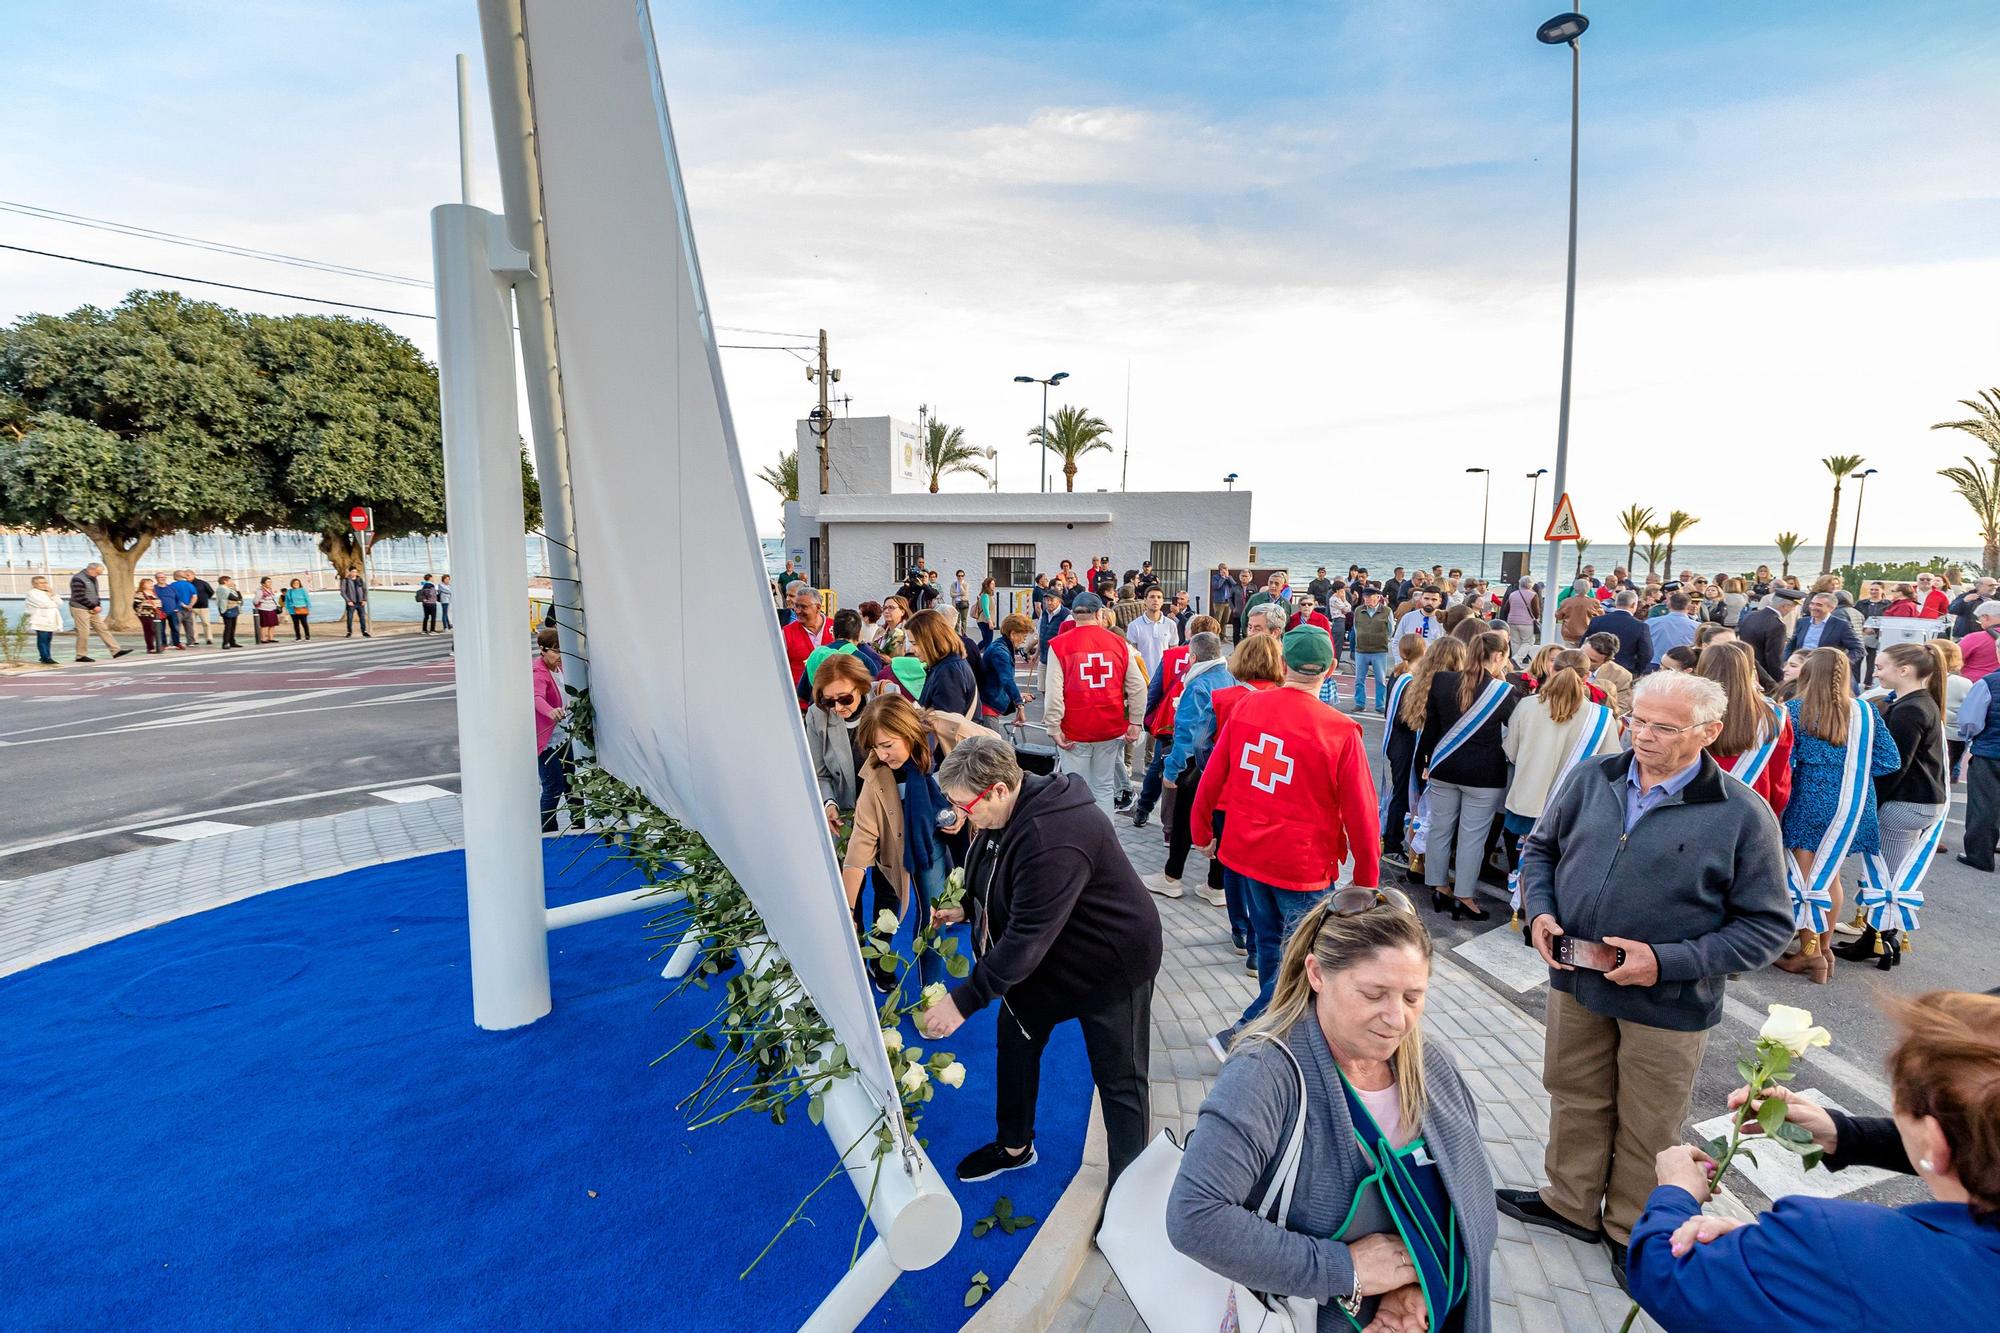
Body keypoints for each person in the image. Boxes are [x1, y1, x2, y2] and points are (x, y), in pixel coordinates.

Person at [1502, 671, 1793, 1287]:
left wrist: (1665, 963)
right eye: (1636, 720)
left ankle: (1633, 1231)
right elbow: (1540, 850)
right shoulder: (1592, 778)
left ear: (1710, 733)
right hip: (1576, 979)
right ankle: (1571, 1205)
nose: (1644, 736)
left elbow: (1767, 929)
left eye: (1665, 727)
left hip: (1669, 1002)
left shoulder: (1742, 814)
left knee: (1650, 1120)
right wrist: (1540, 911)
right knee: (1573, 1090)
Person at [1168, 891, 1497, 1333]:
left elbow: (1471, 1208)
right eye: (1373, 993)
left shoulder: (1431, 1064)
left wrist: (1420, 1288)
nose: (1397, 1019)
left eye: (1413, 997)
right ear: (1317, 973)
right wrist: (1346, 1269)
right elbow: (1194, 1216)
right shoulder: (1264, 1074)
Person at [1626, 991, 2000, 1332]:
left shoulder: (1842, 1246)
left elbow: (1666, 1275)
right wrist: (1843, 1133)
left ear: (1935, 1143)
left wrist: (1675, 1195)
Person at [923, 735, 1162, 1186]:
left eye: (964, 805)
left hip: (1112, 962)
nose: (959, 815)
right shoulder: (1006, 808)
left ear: (996, 789)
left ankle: (1131, 1189)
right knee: (1015, 1041)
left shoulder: (1053, 836)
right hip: (1051, 956)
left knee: (1120, 1078)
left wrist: (963, 1001)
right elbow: (997, 869)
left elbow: (1026, 939)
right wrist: (971, 904)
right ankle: (1015, 1146)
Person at [1193, 627, 1382, 1052]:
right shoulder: (1340, 730)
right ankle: (1246, 1034)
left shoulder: (1248, 708)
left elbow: (1213, 776)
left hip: (1245, 853)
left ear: (1282, 666)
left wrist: (1202, 830)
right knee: (1302, 964)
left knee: (1271, 948)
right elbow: (1362, 815)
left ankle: (1275, 1035)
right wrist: (1367, 879)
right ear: (1332, 670)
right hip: (1303, 866)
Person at [1776, 648, 1901, 982]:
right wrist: (1850, 769)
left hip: (1809, 798)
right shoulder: (1866, 711)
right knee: (1830, 876)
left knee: (1805, 878)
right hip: (1854, 801)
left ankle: (1809, 953)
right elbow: (1890, 760)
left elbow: (1786, 762)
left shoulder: (1794, 710)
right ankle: (1825, 947)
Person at [843, 694, 976, 993]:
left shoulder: (948, 737)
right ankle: (880, 961)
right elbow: (859, 846)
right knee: (887, 901)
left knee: (933, 917)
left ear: (908, 730)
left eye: (887, 745)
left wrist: (964, 810)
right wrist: (847, 911)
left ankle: (931, 991)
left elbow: (994, 763)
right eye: (875, 747)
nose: (881, 754)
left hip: (937, 847)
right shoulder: (876, 777)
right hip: (894, 850)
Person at [1837, 640, 1951, 969]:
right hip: (1917, 800)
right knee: (1891, 874)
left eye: (1881, 667)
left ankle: (1877, 940)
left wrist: (1870, 803)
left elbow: (1894, 765)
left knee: (1885, 877)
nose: (1876, 672)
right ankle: (1881, 938)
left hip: (1905, 802)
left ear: (1904, 671)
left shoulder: (1911, 709)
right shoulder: (1919, 702)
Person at [1414, 630, 1520, 920]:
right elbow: (1516, 733)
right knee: (1472, 838)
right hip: (1484, 775)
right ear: (1498, 656)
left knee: (1439, 828)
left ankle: (1438, 886)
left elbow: (1431, 728)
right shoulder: (1504, 692)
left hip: (1443, 766)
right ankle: (1464, 896)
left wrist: (1424, 762)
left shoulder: (1442, 680)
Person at [1501, 650, 1619, 889]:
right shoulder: (1602, 717)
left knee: (1525, 862)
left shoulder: (1527, 705)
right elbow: (1610, 765)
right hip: (1571, 807)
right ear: (1587, 677)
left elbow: (1510, 753)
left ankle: (1522, 899)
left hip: (1528, 800)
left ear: (1552, 670)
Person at [1043, 592, 1145, 817]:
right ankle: (1104, 840)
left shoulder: (1059, 645)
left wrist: (1053, 726)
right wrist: (1136, 722)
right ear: (1099, 614)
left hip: (1074, 729)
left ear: (1073, 615)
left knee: (1076, 790)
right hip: (1109, 728)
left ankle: (1080, 842)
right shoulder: (1119, 643)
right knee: (1104, 788)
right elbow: (1138, 686)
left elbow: (1054, 692)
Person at [1382, 636, 1466, 874]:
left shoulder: (1410, 676)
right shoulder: (1417, 680)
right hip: (1408, 746)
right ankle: (1393, 843)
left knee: (1406, 795)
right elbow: (1404, 719)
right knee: (1406, 795)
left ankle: (1399, 841)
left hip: (1403, 745)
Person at [1697, 640, 1793, 816]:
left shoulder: (1688, 708)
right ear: (1747, 671)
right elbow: (1780, 781)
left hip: (1691, 803)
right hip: (1751, 807)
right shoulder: (1774, 715)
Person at [532, 628, 573, 832]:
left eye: (562, 651)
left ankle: (579, 826)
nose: (559, 656)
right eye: (555, 651)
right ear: (542, 649)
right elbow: (536, 697)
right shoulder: (538, 672)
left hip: (564, 734)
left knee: (573, 784)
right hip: (545, 738)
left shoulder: (561, 667)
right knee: (553, 787)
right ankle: (547, 832)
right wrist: (551, 712)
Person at [909, 608, 977, 718]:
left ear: (931, 640)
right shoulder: (945, 665)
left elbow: (946, 727)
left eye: (915, 643)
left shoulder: (949, 671)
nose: (911, 650)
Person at [1735, 586, 1804, 688]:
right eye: (1793, 607)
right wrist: (1779, 682)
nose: (1792, 611)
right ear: (1785, 606)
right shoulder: (1777, 625)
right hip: (1765, 678)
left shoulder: (1751, 616)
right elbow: (1774, 658)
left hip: (1748, 669)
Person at [1786, 591, 1863, 681]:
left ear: (1831, 608)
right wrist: (1787, 662)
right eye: (1812, 604)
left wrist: (1840, 664)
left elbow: (1859, 649)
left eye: (1819, 605)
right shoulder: (1802, 622)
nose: (1813, 607)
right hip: (1801, 670)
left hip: (1824, 673)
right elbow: (1791, 645)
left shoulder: (1841, 625)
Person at [978, 614, 1034, 732]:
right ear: (1013, 634)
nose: (1024, 639)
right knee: (991, 746)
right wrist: (1019, 704)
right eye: (1023, 635)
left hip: (989, 702)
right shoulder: (1000, 651)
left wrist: (1017, 695)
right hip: (988, 705)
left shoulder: (1001, 646)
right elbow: (1006, 679)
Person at [782, 585, 835, 704]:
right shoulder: (786, 633)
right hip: (800, 704)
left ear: (818, 607)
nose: (798, 611)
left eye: (803, 607)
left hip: (833, 704)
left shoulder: (835, 628)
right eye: (796, 606)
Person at [1585, 589, 1654, 678]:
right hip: (1625, 670)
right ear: (1634, 605)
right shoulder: (1641, 626)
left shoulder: (1597, 621)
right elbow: (1647, 654)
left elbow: (1585, 643)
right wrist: (1637, 670)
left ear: (1616, 603)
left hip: (1598, 669)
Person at [66, 562, 127, 662]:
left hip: (92, 609)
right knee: (84, 632)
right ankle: (80, 655)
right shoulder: (78, 579)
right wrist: (93, 606)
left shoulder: (93, 578)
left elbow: (95, 593)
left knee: (102, 628)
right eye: (98, 572)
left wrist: (98, 604)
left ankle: (116, 651)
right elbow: (79, 596)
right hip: (80, 608)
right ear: (91, 569)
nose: (99, 575)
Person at [1348, 586, 1393, 714]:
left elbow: (1390, 629)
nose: (1366, 599)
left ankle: (1380, 705)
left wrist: (1384, 639)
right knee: (1359, 679)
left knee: (1380, 679)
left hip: (1379, 650)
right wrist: (1359, 639)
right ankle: (1360, 703)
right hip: (1361, 650)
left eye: (1369, 597)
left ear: (1378, 597)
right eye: (1365, 597)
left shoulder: (1386, 611)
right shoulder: (1358, 610)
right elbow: (1356, 627)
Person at [1126, 584, 1178, 681]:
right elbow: (1132, 656)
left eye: (1159, 597)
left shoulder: (1171, 624)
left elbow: (1173, 653)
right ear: (1145, 600)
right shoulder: (1134, 625)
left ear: (1162, 601)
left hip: (1163, 678)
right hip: (1142, 678)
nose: (1156, 600)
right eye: (1152, 597)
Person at [1584, 632, 1635, 717]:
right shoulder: (1565, 659)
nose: (1584, 661)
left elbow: (1621, 709)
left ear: (1607, 661)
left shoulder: (1622, 677)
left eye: (1592, 660)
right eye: (1583, 654)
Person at [1645, 591, 1699, 667]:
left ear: (1668, 605)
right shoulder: (1697, 626)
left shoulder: (1651, 623)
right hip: (1681, 667)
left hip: (1654, 664)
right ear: (1689, 606)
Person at [1956, 599, 2000, 684]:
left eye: (1979, 620)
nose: (1979, 623)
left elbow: (1952, 659)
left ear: (1985, 617)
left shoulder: (1974, 638)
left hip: (1976, 685)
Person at [22, 574, 63, 665]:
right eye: (41, 583)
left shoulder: (49, 592)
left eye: (45, 582)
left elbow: (60, 603)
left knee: (48, 639)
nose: (44, 584)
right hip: (40, 619)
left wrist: (52, 594)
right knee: (42, 638)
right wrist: (53, 603)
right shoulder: (32, 593)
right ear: (34, 584)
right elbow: (42, 604)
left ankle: (46, 656)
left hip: (51, 619)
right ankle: (45, 657)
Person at [153, 571, 186, 650]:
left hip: (172, 612)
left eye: (164, 577)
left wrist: (176, 608)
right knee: (161, 629)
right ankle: (163, 644)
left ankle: (177, 643)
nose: (163, 579)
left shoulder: (171, 588)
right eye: (161, 577)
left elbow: (178, 599)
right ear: (156, 579)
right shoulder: (154, 589)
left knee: (175, 628)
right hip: (160, 612)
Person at [133, 577, 165, 653]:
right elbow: (135, 605)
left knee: (156, 630)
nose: (151, 585)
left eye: (151, 583)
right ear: (143, 585)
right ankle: (150, 647)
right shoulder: (140, 594)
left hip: (155, 614)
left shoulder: (154, 593)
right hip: (145, 615)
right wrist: (141, 611)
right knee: (149, 630)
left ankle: (158, 645)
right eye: (148, 583)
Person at [186, 569, 216, 645]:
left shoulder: (202, 583)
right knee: (192, 624)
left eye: (188, 575)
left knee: (206, 623)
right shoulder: (185, 584)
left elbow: (211, 592)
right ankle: (195, 639)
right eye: (185, 576)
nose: (186, 577)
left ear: (193, 575)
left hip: (203, 607)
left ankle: (209, 638)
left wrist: (204, 598)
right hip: (191, 607)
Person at [214, 575, 243, 649]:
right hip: (227, 609)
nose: (232, 582)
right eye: (230, 580)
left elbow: (238, 597)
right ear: (225, 581)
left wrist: (237, 591)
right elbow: (233, 597)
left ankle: (232, 642)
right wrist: (238, 596)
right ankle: (225, 643)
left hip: (233, 608)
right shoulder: (222, 588)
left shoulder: (228, 588)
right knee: (228, 627)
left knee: (232, 627)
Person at [340, 568, 371, 638]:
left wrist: (364, 600)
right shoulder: (345, 580)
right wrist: (348, 601)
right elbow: (342, 592)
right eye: (353, 572)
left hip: (360, 602)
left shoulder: (360, 580)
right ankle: (349, 632)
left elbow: (365, 590)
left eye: (356, 572)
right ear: (350, 572)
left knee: (362, 617)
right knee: (350, 618)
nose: (354, 573)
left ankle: (364, 631)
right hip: (351, 603)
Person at [252, 576, 282, 644]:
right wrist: (263, 600)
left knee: (272, 624)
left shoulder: (270, 589)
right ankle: (263, 639)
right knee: (264, 625)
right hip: (264, 609)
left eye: (270, 581)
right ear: (263, 583)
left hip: (272, 609)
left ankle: (271, 638)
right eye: (268, 582)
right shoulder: (260, 591)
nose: (270, 583)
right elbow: (255, 601)